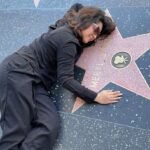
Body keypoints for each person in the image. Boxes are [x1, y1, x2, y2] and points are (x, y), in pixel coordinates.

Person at [0, 3, 123, 150]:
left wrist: (100, 20)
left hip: (36, 82)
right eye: (95, 29)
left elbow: (76, 6)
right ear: (86, 20)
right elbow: (65, 79)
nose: (94, 36)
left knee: (49, 125)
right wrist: (96, 97)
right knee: (17, 130)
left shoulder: (68, 28)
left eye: (98, 34)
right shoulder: (68, 40)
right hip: (18, 72)